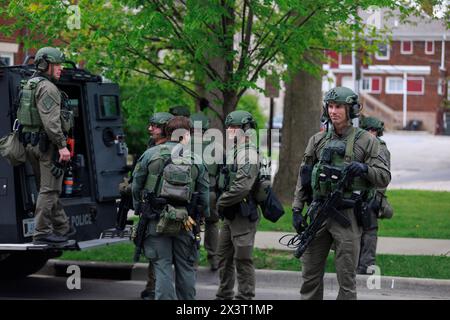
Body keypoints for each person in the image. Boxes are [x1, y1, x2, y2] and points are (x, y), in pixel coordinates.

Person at [292, 87, 391, 300]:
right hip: (318, 214)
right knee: (309, 275)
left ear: (351, 110)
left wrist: (365, 169)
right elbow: (304, 176)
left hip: (348, 217)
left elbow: (384, 176)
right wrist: (297, 209)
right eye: (330, 106)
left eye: (339, 107)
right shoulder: (317, 140)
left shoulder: (367, 141)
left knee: (346, 279)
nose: (333, 111)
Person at [132, 116, 210, 300]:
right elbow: (204, 195)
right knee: (186, 267)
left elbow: (136, 185)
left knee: (162, 267)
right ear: (187, 135)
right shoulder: (197, 160)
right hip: (186, 222)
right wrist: (202, 216)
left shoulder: (150, 155)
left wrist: (139, 208)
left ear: (167, 133)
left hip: (155, 220)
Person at [17, 46, 74, 245]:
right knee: (49, 190)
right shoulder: (48, 88)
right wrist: (62, 146)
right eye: (57, 64)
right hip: (46, 146)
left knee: (47, 188)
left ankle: (63, 227)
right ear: (45, 65)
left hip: (32, 143)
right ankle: (41, 232)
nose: (60, 69)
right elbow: (51, 122)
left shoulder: (30, 84)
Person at [215, 110, 259, 300]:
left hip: (243, 214)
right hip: (230, 214)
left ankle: (245, 297)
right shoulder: (234, 151)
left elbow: (243, 187)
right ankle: (224, 295)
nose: (231, 131)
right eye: (229, 127)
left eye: (236, 127)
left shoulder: (249, 154)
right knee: (223, 256)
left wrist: (220, 202)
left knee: (242, 259)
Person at [139, 112, 174, 300]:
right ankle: (153, 286)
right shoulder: (152, 147)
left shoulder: (171, 149)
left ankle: (158, 289)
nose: (150, 129)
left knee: (162, 256)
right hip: (156, 208)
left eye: (155, 125)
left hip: (165, 209)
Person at [357, 116, 394, 274]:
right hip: (360, 195)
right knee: (357, 232)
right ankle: (357, 263)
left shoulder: (380, 148)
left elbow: (383, 177)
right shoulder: (366, 144)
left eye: (369, 130)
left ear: (374, 131)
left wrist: (376, 197)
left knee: (369, 233)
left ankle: (366, 265)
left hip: (372, 197)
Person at [190, 112, 220, 271]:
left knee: (191, 225)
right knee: (212, 224)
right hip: (211, 192)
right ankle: (213, 258)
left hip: (191, 194)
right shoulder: (216, 145)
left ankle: (192, 260)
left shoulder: (183, 145)